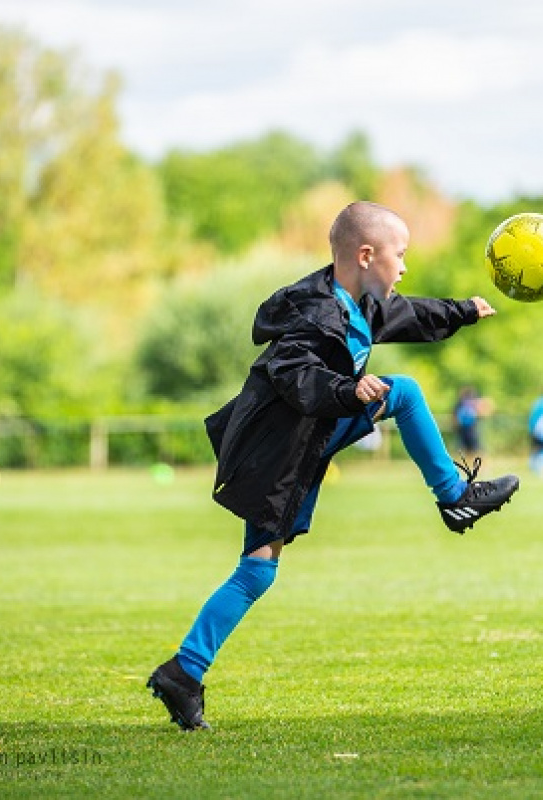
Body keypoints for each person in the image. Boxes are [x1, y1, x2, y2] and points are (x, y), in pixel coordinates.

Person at [147, 201, 520, 731]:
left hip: (305, 439)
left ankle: (183, 674)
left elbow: (409, 313)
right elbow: (294, 373)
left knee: (258, 568)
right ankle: (454, 495)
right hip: (276, 454)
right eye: (402, 255)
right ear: (367, 255)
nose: (406, 267)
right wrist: (347, 388)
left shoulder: (359, 303)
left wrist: (462, 309)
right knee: (258, 569)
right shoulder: (314, 312)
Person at [453, 386, 494, 458]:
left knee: (475, 449)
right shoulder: (461, 404)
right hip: (464, 429)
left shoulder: (471, 403)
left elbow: (485, 411)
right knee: (465, 450)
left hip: (471, 429)